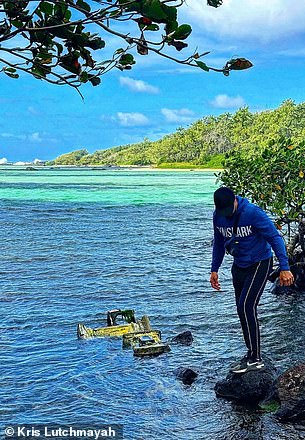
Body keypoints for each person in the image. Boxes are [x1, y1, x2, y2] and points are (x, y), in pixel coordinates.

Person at [210, 187, 294, 374]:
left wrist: (285, 267)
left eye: (229, 210)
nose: (227, 215)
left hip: (260, 262)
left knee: (247, 306)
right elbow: (218, 242)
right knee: (241, 310)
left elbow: (274, 237)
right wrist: (214, 269)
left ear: (235, 201)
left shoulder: (253, 213)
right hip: (239, 265)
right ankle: (250, 353)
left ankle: (256, 359)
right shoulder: (218, 215)